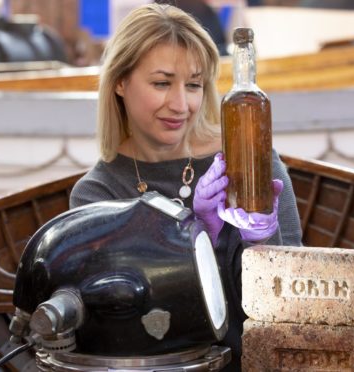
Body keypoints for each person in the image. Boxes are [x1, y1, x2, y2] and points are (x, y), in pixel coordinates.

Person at [69, 3, 302, 370]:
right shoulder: (96, 194)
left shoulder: (247, 157)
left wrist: (262, 242)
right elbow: (124, 324)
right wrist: (195, 239)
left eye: (193, 85)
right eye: (162, 83)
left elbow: (292, 299)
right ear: (120, 81)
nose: (181, 104)